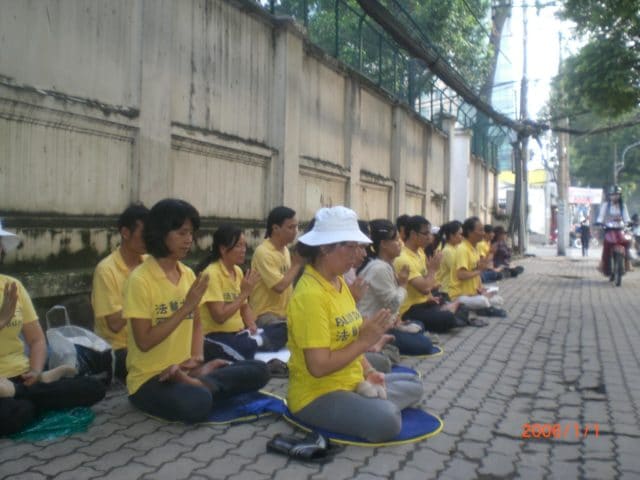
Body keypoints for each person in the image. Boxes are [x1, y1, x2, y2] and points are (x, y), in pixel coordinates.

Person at [123, 199, 269, 423]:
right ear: (162, 233)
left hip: (186, 370)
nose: (189, 239)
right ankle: (199, 385)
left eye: (191, 233)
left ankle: (195, 379)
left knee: (260, 370)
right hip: (150, 379)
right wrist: (185, 308)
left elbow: (197, 324)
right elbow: (144, 341)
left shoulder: (188, 274)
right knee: (198, 402)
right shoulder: (140, 279)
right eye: (182, 233)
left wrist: (198, 358)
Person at [287, 206, 423, 442]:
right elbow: (318, 367)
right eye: (351, 246)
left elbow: (350, 339)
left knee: (415, 384)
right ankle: (369, 405)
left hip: (352, 380)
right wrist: (364, 341)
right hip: (318, 394)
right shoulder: (311, 295)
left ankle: (366, 399)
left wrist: (369, 372)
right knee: (388, 420)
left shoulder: (339, 282)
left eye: (358, 247)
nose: (357, 254)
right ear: (325, 248)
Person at [1, 223, 106, 436]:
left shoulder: (12, 286)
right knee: (16, 413)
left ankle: (27, 389)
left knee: (92, 388)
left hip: (21, 377)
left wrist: (36, 370)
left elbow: (37, 341)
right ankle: (35, 394)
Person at [195, 225, 287, 360]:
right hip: (215, 336)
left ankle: (254, 342)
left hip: (239, 334)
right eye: (238, 246)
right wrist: (244, 293)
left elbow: (244, 308)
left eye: (244, 245)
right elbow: (219, 317)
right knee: (242, 349)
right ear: (223, 249)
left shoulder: (237, 271)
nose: (243, 250)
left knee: (284, 329)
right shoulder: (212, 274)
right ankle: (254, 345)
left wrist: (252, 327)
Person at [357, 219, 437, 356]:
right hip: (372, 327)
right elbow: (393, 304)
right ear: (383, 244)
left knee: (419, 325)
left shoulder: (386, 265)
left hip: (387, 323)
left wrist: (396, 319)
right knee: (425, 345)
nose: (400, 244)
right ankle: (380, 342)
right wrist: (403, 285)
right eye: (396, 240)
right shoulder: (379, 268)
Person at [91, 204, 149, 381]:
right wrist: (141, 298)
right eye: (144, 233)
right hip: (118, 349)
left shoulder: (149, 262)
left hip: (147, 340)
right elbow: (114, 324)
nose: (149, 239)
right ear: (125, 233)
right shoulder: (106, 270)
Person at [393, 215, 464, 333]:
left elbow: (427, 285)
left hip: (424, 303)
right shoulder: (403, 258)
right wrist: (433, 269)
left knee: (462, 308)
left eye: (430, 233)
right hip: (410, 309)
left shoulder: (420, 252)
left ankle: (448, 310)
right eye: (425, 234)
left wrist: (430, 297)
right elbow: (425, 288)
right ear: (413, 234)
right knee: (448, 317)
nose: (429, 237)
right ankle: (448, 312)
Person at [249, 206, 303, 328]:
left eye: (296, 227)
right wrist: (297, 264)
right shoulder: (263, 252)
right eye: (291, 227)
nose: (295, 231)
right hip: (264, 315)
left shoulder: (285, 250)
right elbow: (279, 286)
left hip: (285, 314)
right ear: (275, 228)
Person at [449, 217, 506, 317]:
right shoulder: (463, 249)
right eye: (480, 230)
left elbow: (478, 272)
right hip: (459, 295)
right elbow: (461, 274)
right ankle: (481, 308)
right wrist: (479, 271)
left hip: (474, 293)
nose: (483, 233)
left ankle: (478, 307)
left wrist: (481, 289)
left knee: (499, 299)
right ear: (470, 232)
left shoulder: (474, 248)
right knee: (483, 301)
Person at [597, 185, 631, 275]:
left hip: (620, 228)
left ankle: (627, 262)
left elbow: (626, 217)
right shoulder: (605, 205)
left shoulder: (623, 205)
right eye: (613, 194)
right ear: (610, 196)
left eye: (617, 194)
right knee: (606, 245)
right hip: (609, 229)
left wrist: (628, 223)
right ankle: (603, 264)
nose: (615, 196)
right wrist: (599, 222)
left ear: (620, 195)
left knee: (627, 242)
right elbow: (601, 216)